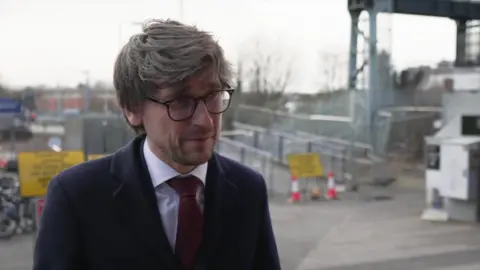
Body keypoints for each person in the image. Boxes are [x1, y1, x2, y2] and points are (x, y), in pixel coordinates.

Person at [33, 19, 281, 270]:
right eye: (181, 101)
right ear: (132, 108)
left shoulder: (248, 190)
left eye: (213, 96)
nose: (205, 121)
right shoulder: (77, 197)